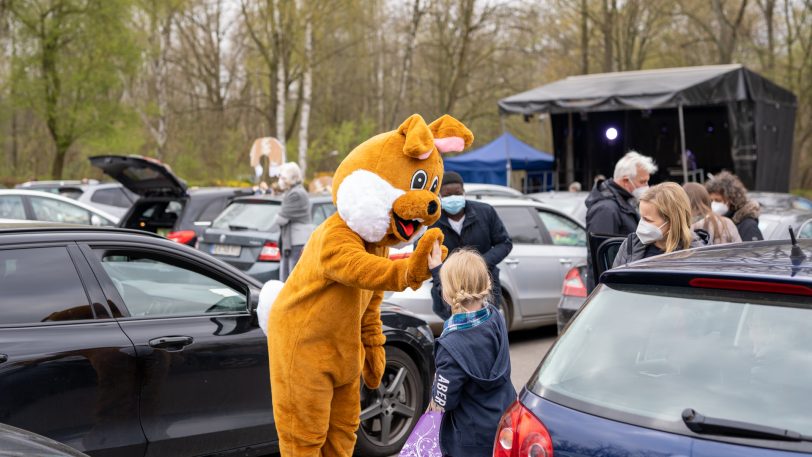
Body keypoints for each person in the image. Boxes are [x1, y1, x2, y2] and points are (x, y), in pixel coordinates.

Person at [427, 247, 516, 457]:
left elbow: (444, 401)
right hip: (506, 420)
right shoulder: (495, 317)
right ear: (486, 282)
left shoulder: (451, 345)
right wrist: (437, 269)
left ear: (447, 293)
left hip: (470, 441)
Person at [429, 171, 512, 321]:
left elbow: (504, 243)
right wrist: (441, 276)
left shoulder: (485, 212)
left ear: (464, 192)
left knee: (488, 327)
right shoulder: (431, 221)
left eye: (457, 193)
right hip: (449, 289)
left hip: (485, 284)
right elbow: (423, 253)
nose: (453, 198)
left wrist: (479, 263)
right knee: (458, 332)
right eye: (447, 195)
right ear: (439, 196)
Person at [584, 151, 657, 289]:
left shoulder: (623, 202)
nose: (646, 186)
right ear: (625, 180)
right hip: (612, 289)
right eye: (643, 182)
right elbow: (603, 258)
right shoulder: (606, 209)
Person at [613, 182, 705, 267]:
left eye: (648, 220)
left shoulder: (697, 254)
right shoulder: (630, 245)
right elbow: (614, 281)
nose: (641, 224)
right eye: (641, 217)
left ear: (672, 222)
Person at [268, 163, 312, 280]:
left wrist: (278, 216)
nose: (280, 181)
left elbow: (280, 219)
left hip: (297, 242)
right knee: (287, 279)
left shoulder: (296, 194)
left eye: (283, 178)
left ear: (293, 178)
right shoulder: (292, 192)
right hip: (291, 242)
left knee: (293, 278)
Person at [705, 171, 764, 242]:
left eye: (718, 200)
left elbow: (755, 251)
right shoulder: (716, 224)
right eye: (711, 201)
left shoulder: (748, 226)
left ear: (731, 199)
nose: (713, 204)